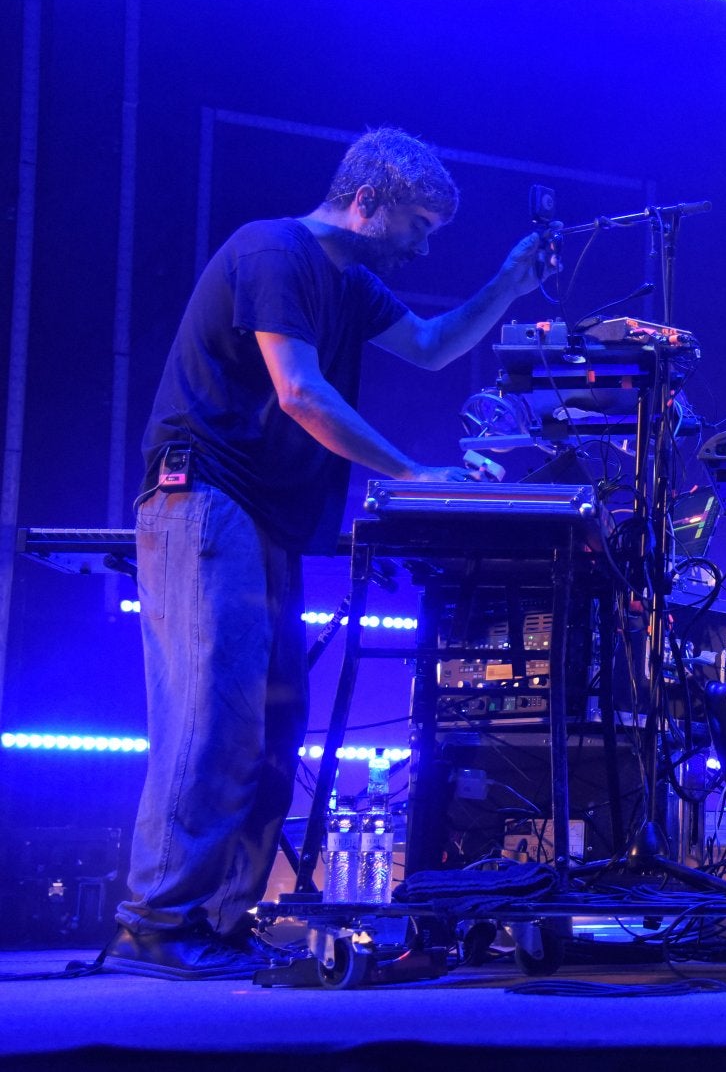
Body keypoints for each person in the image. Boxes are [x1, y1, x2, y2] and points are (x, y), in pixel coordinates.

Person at [107, 128, 553, 979]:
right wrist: (413, 471)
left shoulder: (352, 282)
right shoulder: (273, 252)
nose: (424, 245)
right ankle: (155, 923)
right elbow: (299, 391)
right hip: (204, 499)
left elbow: (429, 346)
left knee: (274, 727)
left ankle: (214, 921)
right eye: (418, 223)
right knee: (211, 719)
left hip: (261, 518)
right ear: (369, 202)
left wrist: (506, 282)